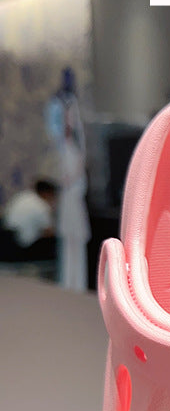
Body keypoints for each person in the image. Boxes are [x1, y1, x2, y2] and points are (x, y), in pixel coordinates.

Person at [45, 67, 90, 292]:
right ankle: (69, 282)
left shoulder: (76, 147)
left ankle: (77, 282)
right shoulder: (61, 147)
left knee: (76, 238)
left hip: (75, 192)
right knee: (68, 239)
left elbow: (78, 169)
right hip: (68, 194)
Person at [0, 179, 57, 262]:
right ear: (47, 193)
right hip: (24, 248)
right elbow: (49, 231)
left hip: (7, 246)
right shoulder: (41, 205)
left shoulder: (22, 196)